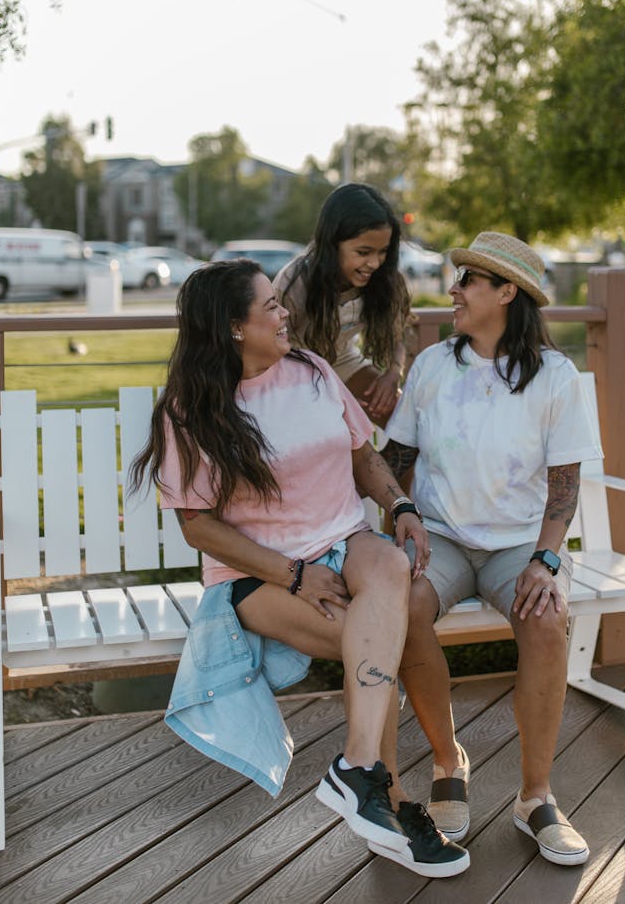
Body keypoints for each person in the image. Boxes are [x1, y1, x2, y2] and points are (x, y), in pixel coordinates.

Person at [130, 257, 470, 879]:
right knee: (381, 643)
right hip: (254, 577)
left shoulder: (312, 371)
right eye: (270, 307)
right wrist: (291, 573)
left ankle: (358, 770)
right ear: (234, 327)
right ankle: (389, 804)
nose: (286, 312)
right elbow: (197, 526)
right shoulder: (191, 410)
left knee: (390, 569)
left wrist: (399, 505)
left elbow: (361, 454)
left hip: (346, 539)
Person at [381, 231, 602, 867]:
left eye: (467, 282)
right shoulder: (431, 366)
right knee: (407, 606)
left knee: (546, 618)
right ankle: (450, 764)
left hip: (519, 547)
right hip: (442, 538)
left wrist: (547, 559)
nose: (452, 290)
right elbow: (398, 458)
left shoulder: (554, 377)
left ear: (507, 293)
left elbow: (565, 481)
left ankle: (536, 799)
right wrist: (398, 517)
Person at [273, 182, 416, 425]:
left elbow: (398, 336)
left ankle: (392, 464)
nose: (374, 263)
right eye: (363, 252)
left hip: (342, 360)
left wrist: (393, 374)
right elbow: (272, 351)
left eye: (382, 251)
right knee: (336, 430)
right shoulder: (294, 283)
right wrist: (331, 395)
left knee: (404, 422)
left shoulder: (385, 280)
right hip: (292, 374)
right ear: (332, 244)